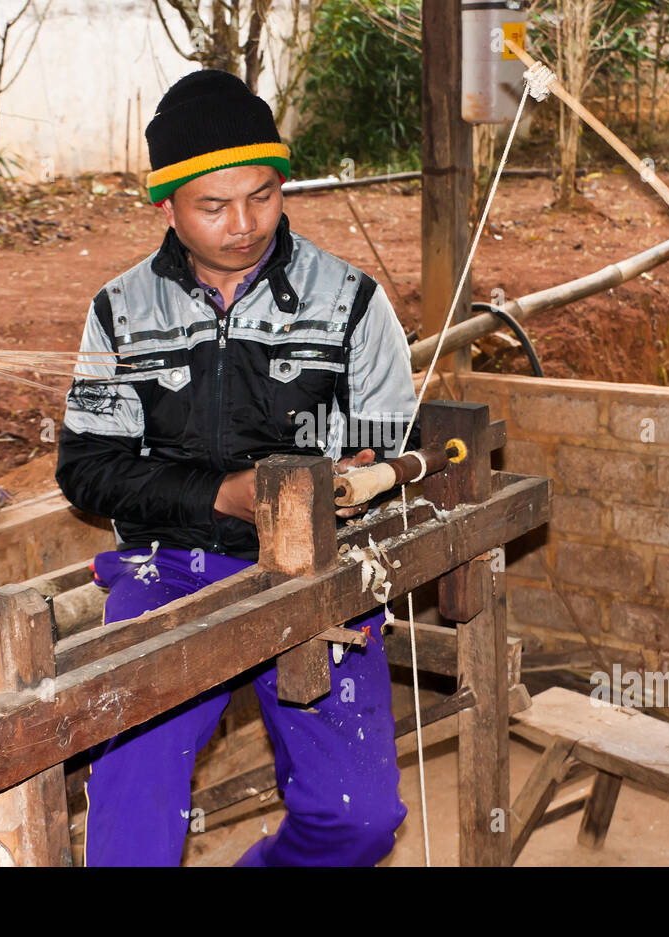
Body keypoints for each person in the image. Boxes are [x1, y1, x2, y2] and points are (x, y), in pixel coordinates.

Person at [55, 69, 418, 866]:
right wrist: (219, 494)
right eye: (213, 207)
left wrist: (362, 471)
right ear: (167, 206)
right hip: (166, 574)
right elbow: (88, 471)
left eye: (263, 196)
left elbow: (391, 455)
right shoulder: (122, 311)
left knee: (357, 819)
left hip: (315, 574)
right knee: (132, 826)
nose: (244, 225)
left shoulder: (351, 302)